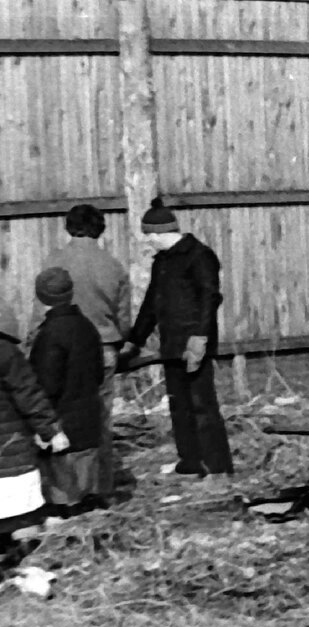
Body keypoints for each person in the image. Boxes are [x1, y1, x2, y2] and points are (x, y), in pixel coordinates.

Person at [120, 199, 233, 478]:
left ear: (159, 233)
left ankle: (216, 467)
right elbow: (151, 304)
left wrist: (200, 338)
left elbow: (210, 297)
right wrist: (135, 340)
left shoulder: (200, 256)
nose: (148, 240)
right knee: (179, 407)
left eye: (148, 235)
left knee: (202, 407)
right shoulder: (163, 262)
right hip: (171, 345)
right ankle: (190, 461)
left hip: (195, 345)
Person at [30, 203, 130, 498]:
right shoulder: (112, 265)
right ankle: (101, 486)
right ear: (100, 229)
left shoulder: (54, 262)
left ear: (68, 227)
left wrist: (29, 346)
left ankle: (64, 488)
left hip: (55, 347)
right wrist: (120, 341)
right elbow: (123, 316)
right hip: (101, 348)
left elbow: (39, 312)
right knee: (99, 416)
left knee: (56, 414)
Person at [28, 268, 103, 509]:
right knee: (87, 498)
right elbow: (99, 374)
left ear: (41, 297)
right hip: (89, 422)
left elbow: (46, 386)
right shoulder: (87, 327)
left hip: (62, 428)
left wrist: (42, 428)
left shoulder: (49, 335)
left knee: (66, 501)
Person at [0, 305, 67, 526]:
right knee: (21, 520)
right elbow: (28, 394)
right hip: (11, 454)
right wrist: (50, 430)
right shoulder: (5, 350)